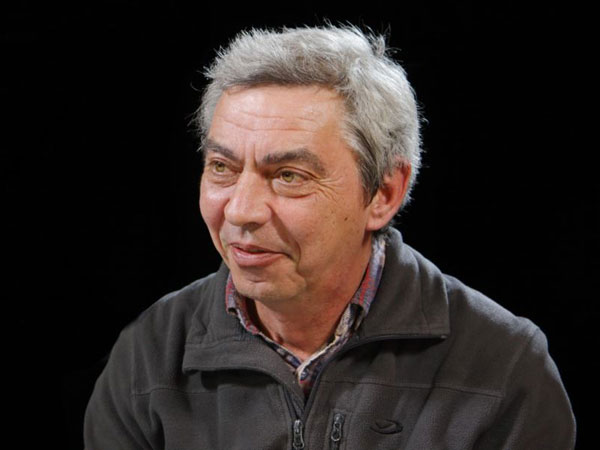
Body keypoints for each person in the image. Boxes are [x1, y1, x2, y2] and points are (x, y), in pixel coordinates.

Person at [84, 25, 576, 449]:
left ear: (384, 193)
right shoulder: (147, 355)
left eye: (289, 176)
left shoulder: (505, 367)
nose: (240, 210)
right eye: (221, 167)